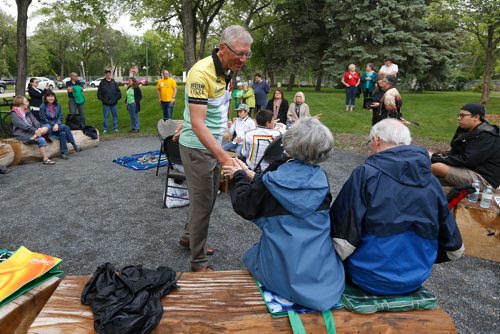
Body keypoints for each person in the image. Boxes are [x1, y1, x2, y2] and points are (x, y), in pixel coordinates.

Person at [330, 119, 464, 296]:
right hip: (415, 278)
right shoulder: (431, 181)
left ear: (377, 140)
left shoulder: (366, 174)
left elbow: (342, 238)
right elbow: (454, 248)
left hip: (367, 278)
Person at [223, 117, 345, 311]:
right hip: (322, 274)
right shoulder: (321, 179)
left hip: (282, 273)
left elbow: (245, 206)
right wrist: (248, 173)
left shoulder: (273, 180)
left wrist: (238, 176)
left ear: (290, 142)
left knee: (254, 256)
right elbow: (289, 189)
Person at [178, 25, 253, 272]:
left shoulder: (227, 69)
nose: (243, 59)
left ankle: (189, 238)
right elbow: (198, 123)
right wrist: (225, 157)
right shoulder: (201, 73)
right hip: (198, 147)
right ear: (222, 48)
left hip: (211, 144)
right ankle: (198, 262)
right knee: (203, 204)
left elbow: (212, 107)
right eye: (239, 53)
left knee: (207, 201)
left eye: (247, 54)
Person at [430, 103, 500, 190]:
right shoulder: (466, 129)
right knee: (427, 160)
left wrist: (439, 159)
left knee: (437, 167)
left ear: (476, 117)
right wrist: (438, 157)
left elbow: (467, 160)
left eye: (462, 115)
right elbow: (455, 151)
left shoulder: (486, 135)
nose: (459, 118)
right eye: (459, 115)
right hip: (470, 170)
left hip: (484, 180)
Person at [10, 96, 54, 165]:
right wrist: (35, 130)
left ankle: (34, 137)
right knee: (41, 139)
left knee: (47, 125)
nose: (28, 102)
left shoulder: (27, 111)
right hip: (22, 134)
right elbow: (23, 126)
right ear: (21, 103)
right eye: (26, 101)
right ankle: (45, 159)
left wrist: (39, 128)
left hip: (32, 131)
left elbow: (34, 121)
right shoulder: (14, 113)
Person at [39, 91, 81, 160]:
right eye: (48, 96)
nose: (50, 98)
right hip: (47, 127)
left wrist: (57, 124)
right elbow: (44, 119)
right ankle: (74, 144)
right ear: (46, 98)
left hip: (56, 126)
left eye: (52, 96)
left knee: (63, 133)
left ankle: (63, 153)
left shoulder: (57, 105)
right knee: (65, 127)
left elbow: (60, 116)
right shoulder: (42, 107)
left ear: (54, 97)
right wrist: (54, 125)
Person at [97, 69, 122, 134]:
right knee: (106, 117)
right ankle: (106, 129)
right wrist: (103, 100)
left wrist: (116, 99)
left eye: (109, 74)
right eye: (107, 74)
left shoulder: (114, 82)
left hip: (114, 103)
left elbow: (118, 92)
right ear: (105, 74)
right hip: (106, 104)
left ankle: (115, 128)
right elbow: (99, 94)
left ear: (111, 74)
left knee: (115, 116)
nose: (108, 75)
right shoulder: (102, 83)